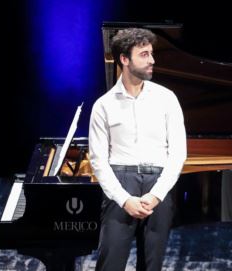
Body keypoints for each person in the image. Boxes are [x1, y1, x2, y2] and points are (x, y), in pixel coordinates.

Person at [89, 28, 187, 271]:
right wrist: (124, 199)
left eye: (151, 54)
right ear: (124, 59)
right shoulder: (103, 105)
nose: (152, 60)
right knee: (110, 263)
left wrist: (156, 194)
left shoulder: (167, 98)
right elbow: (99, 161)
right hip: (121, 182)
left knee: (152, 265)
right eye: (144, 54)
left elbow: (178, 153)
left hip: (158, 184)